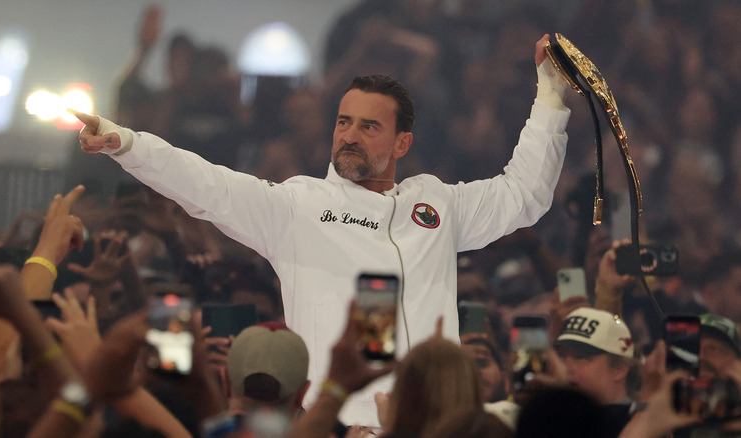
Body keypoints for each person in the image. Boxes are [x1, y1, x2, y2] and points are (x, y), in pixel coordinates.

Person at [70, 34, 571, 426]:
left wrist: (549, 93)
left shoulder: (437, 203)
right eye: (343, 122)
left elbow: (524, 195)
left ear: (402, 143)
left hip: (434, 427)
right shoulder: (298, 206)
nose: (349, 135)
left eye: (368, 127)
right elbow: (206, 186)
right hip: (336, 426)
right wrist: (128, 143)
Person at [553, 307, 637, 436]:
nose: (565, 367)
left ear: (619, 368)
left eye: (580, 357)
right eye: (561, 357)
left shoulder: (639, 424)